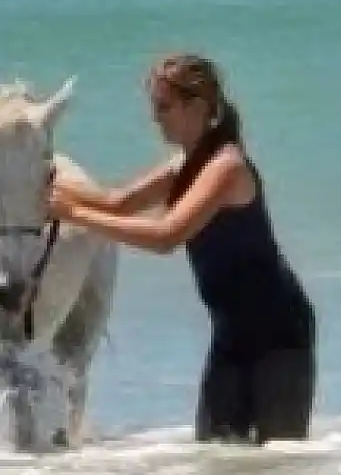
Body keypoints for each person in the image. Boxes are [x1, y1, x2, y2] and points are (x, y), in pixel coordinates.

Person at [49, 53, 316, 445]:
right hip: (230, 334)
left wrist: (74, 215)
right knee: (217, 458)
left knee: (279, 459)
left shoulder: (227, 167)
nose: (155, 117)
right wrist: (40, 181)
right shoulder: (184, 165)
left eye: (163, 106)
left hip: (279, 335)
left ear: (198, 106)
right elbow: (115, 201)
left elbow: (166, 236)